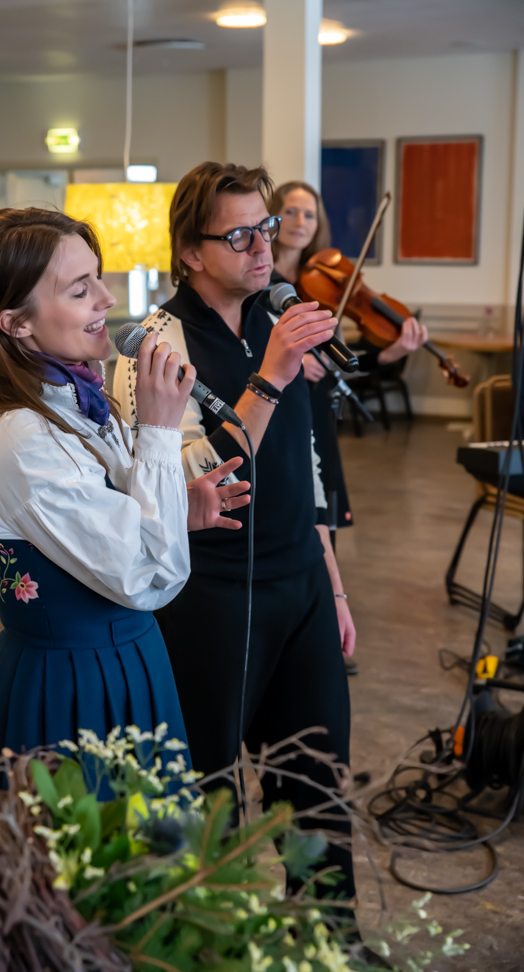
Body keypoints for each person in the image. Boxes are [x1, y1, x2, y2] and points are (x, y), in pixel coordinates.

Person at [0, 206, 250, 799]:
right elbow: (149, 577)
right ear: (16, 323)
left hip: (131, 659)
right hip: (70, 682)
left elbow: (110, 523)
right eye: (81, 289)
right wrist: (158, 430)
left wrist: (172, 508)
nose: (107, 298)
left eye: (98, 279)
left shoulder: (70, 398)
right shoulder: (19, 438)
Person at [113, 162, 357, 898]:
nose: (263, 248)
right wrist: (270, 380)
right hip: (210, 594)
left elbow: (303, 464)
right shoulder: (154, 346)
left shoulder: (275, 321)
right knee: (206, 788)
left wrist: (333, 586)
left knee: (318, 781)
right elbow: (177, 481)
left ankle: (331, 937)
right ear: (190, 252)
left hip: (301, 584)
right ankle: (204, 934)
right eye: (240, 235)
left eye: (267, 229)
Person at [269, 181, 429, 533]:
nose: (300, 222)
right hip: (275, 411)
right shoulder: (258, 282)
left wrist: (391, 353)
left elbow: (339, 365)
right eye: (290, 211)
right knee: (286, 514)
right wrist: (293, 362)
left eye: (310, 214)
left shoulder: (324, 286)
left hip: (319, 407)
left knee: (323, 518)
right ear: (272, 218)